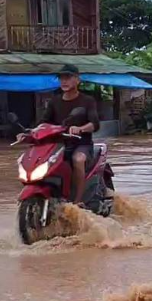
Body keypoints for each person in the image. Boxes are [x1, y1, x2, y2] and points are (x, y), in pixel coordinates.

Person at [37, 64, 100, 203]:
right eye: (61, 78)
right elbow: (44, 122)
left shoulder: (87, 100)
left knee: (77, 160)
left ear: (77, 80)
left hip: (81, 143)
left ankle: (77, 202)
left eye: (68, 77)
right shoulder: (55, 101)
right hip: (59, 144)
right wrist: (30, 132)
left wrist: (80, 129)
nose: (64, 81)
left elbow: (94, 124)